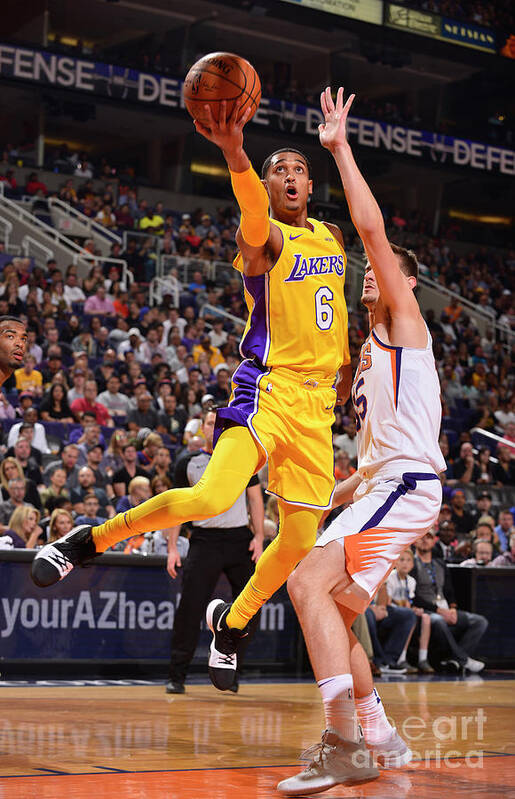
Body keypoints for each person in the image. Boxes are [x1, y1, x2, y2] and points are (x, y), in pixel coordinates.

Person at [32, 91, 353, 696]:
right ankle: (87, 539)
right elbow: (254, 215)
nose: (287, 175)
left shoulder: (332, 237)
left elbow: (348, 279)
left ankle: (230, 625)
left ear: (311, 187)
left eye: (297, 169)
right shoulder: (267, 243)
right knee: (212, 497)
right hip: (269, 389)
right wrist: (236, 152)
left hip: (318, 410)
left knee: (304, 540)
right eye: (277, 168)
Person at [275, 87, 446, 794]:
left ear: (407, 283)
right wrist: (329, 494)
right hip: (388, 485)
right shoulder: (369, 350)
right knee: (332, 608)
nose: (372, 270)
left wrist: (339, 148)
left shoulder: (404, 322)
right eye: (371, 270)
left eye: (386, 268)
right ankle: (376, 732)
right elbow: (374, 460)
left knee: (304, 581)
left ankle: (342, 743)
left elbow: (370, 230)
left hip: (406, 487)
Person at [166, 409, 264, 694]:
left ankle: (232, 673)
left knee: (251, 606)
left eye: (219, 422)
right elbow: (175, 506)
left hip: (238, 539)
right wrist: (172, 546)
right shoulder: (188, 462)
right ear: (203, 429)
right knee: (189, 608)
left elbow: (255, 500)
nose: (215, 427)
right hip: (204, 538)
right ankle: (177, 676)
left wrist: (258, 536)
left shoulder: (244, 456)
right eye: (210, 423)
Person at [412, 531, 488, 673]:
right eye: (421, 537)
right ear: (414, 541)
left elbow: (449, 590)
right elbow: (415, 597)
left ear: (434, 541)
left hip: (446, 608)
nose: (424, 541)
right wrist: (439, 611)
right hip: (428, 611)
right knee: (438, 621)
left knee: (480, 621)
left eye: (428, 537)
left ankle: (455, 659)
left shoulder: (440, 563)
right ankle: (463, 659)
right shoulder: (411, 564)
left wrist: (453, 608)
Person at [386, 549, 434, 673]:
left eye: (408, 560)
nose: (405, 564)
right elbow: (388, 602)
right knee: (409, 615)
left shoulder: (411, 581)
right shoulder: (390, 577)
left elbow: (409, 601)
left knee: (426, 617)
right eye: (401, 560)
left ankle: (423, 659)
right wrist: (407, 608)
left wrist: (415, 609)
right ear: (395, 562)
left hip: (405, 611)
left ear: (413, 564)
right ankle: (401, 658)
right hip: (391, 611)